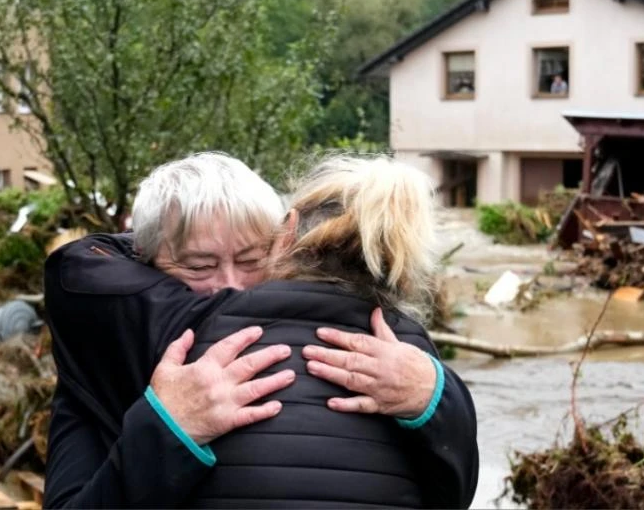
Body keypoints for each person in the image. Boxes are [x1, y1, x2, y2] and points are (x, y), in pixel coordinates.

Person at [45, 153, 478, 508]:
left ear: (284, 241)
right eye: (199, 266)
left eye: (252, 260)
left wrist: (434, 395)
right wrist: (167, 429)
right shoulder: (106, 345)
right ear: (141, 261)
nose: (230, 285)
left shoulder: (394, 354)